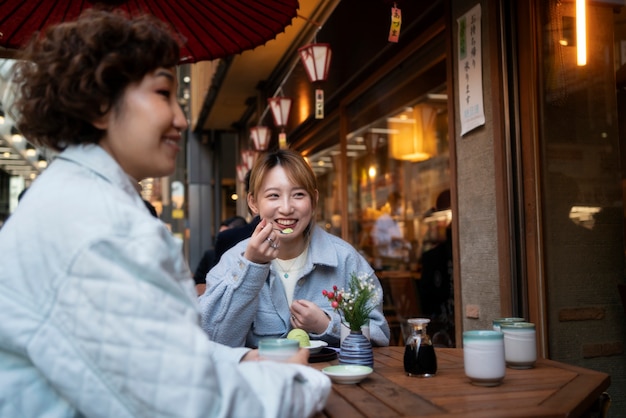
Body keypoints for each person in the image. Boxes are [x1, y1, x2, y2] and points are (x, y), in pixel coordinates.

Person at [0, 10, 329, 418]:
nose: (181, 117)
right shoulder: (100, 226)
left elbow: (152, 352)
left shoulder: (80, 203)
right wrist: (303, 381)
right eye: (163, 93)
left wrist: (242, 362)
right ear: (102, 103)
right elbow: (193, 406)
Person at [199, 149, 390, 348]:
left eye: (298, 194)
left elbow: (380, 336)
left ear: (314, 201)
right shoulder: (233, 260)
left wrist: (327, 325)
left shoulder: (345, 259)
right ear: (254, 203)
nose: (287, 208)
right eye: (273, 195)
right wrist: (252, 266)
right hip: (263, 378)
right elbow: (213, 340)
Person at [193, 215, 248, 294]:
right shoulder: (210, 255)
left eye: (226, 235)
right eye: (220, 235)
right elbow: (197, 282)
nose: (222, 239)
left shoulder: (246, 257)